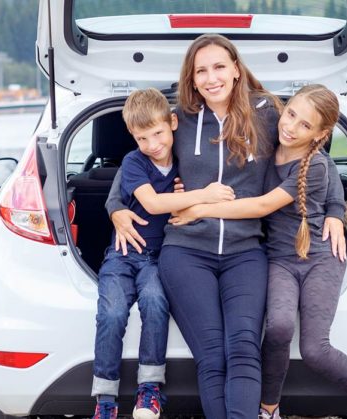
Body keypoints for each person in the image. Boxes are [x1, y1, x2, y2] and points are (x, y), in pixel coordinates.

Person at [106, 34, 346, 419]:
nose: (211, 77)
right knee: (213, 353)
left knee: (244, 348)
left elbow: (314, 156)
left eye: (219, 66)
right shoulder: (179, 119)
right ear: (192, 77)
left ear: (236, 69)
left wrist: (335, 207)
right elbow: (138, 161)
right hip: (185, 252)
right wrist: (116, 207)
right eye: (201, 70)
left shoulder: (268, 113)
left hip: (246, 252)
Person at [169, 84, 347, 419]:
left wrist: (199, 210)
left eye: (305, 125)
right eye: (291, 114)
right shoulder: (269, 143)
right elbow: (226, 167)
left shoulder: (316, 166)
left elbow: (264, 204)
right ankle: (269, 408)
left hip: (320, 259)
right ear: (284, 109)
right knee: (278, 328)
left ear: (321, 134)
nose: (291, 127)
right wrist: (187, 189)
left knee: (314, 349)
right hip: (279, 259)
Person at [92, 88, 235, 419]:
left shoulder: (186, 160)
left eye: (157, 134)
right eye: (142, 138)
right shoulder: (133, 162)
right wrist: (203, 195)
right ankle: (105, 399)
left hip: (159, 256)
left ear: (172, 123)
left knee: (156, 304)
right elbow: (154, 204)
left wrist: (190, 196)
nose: (152, 144)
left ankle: (150, 390)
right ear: (132, 137)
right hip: (122, 255)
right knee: (112, 314)